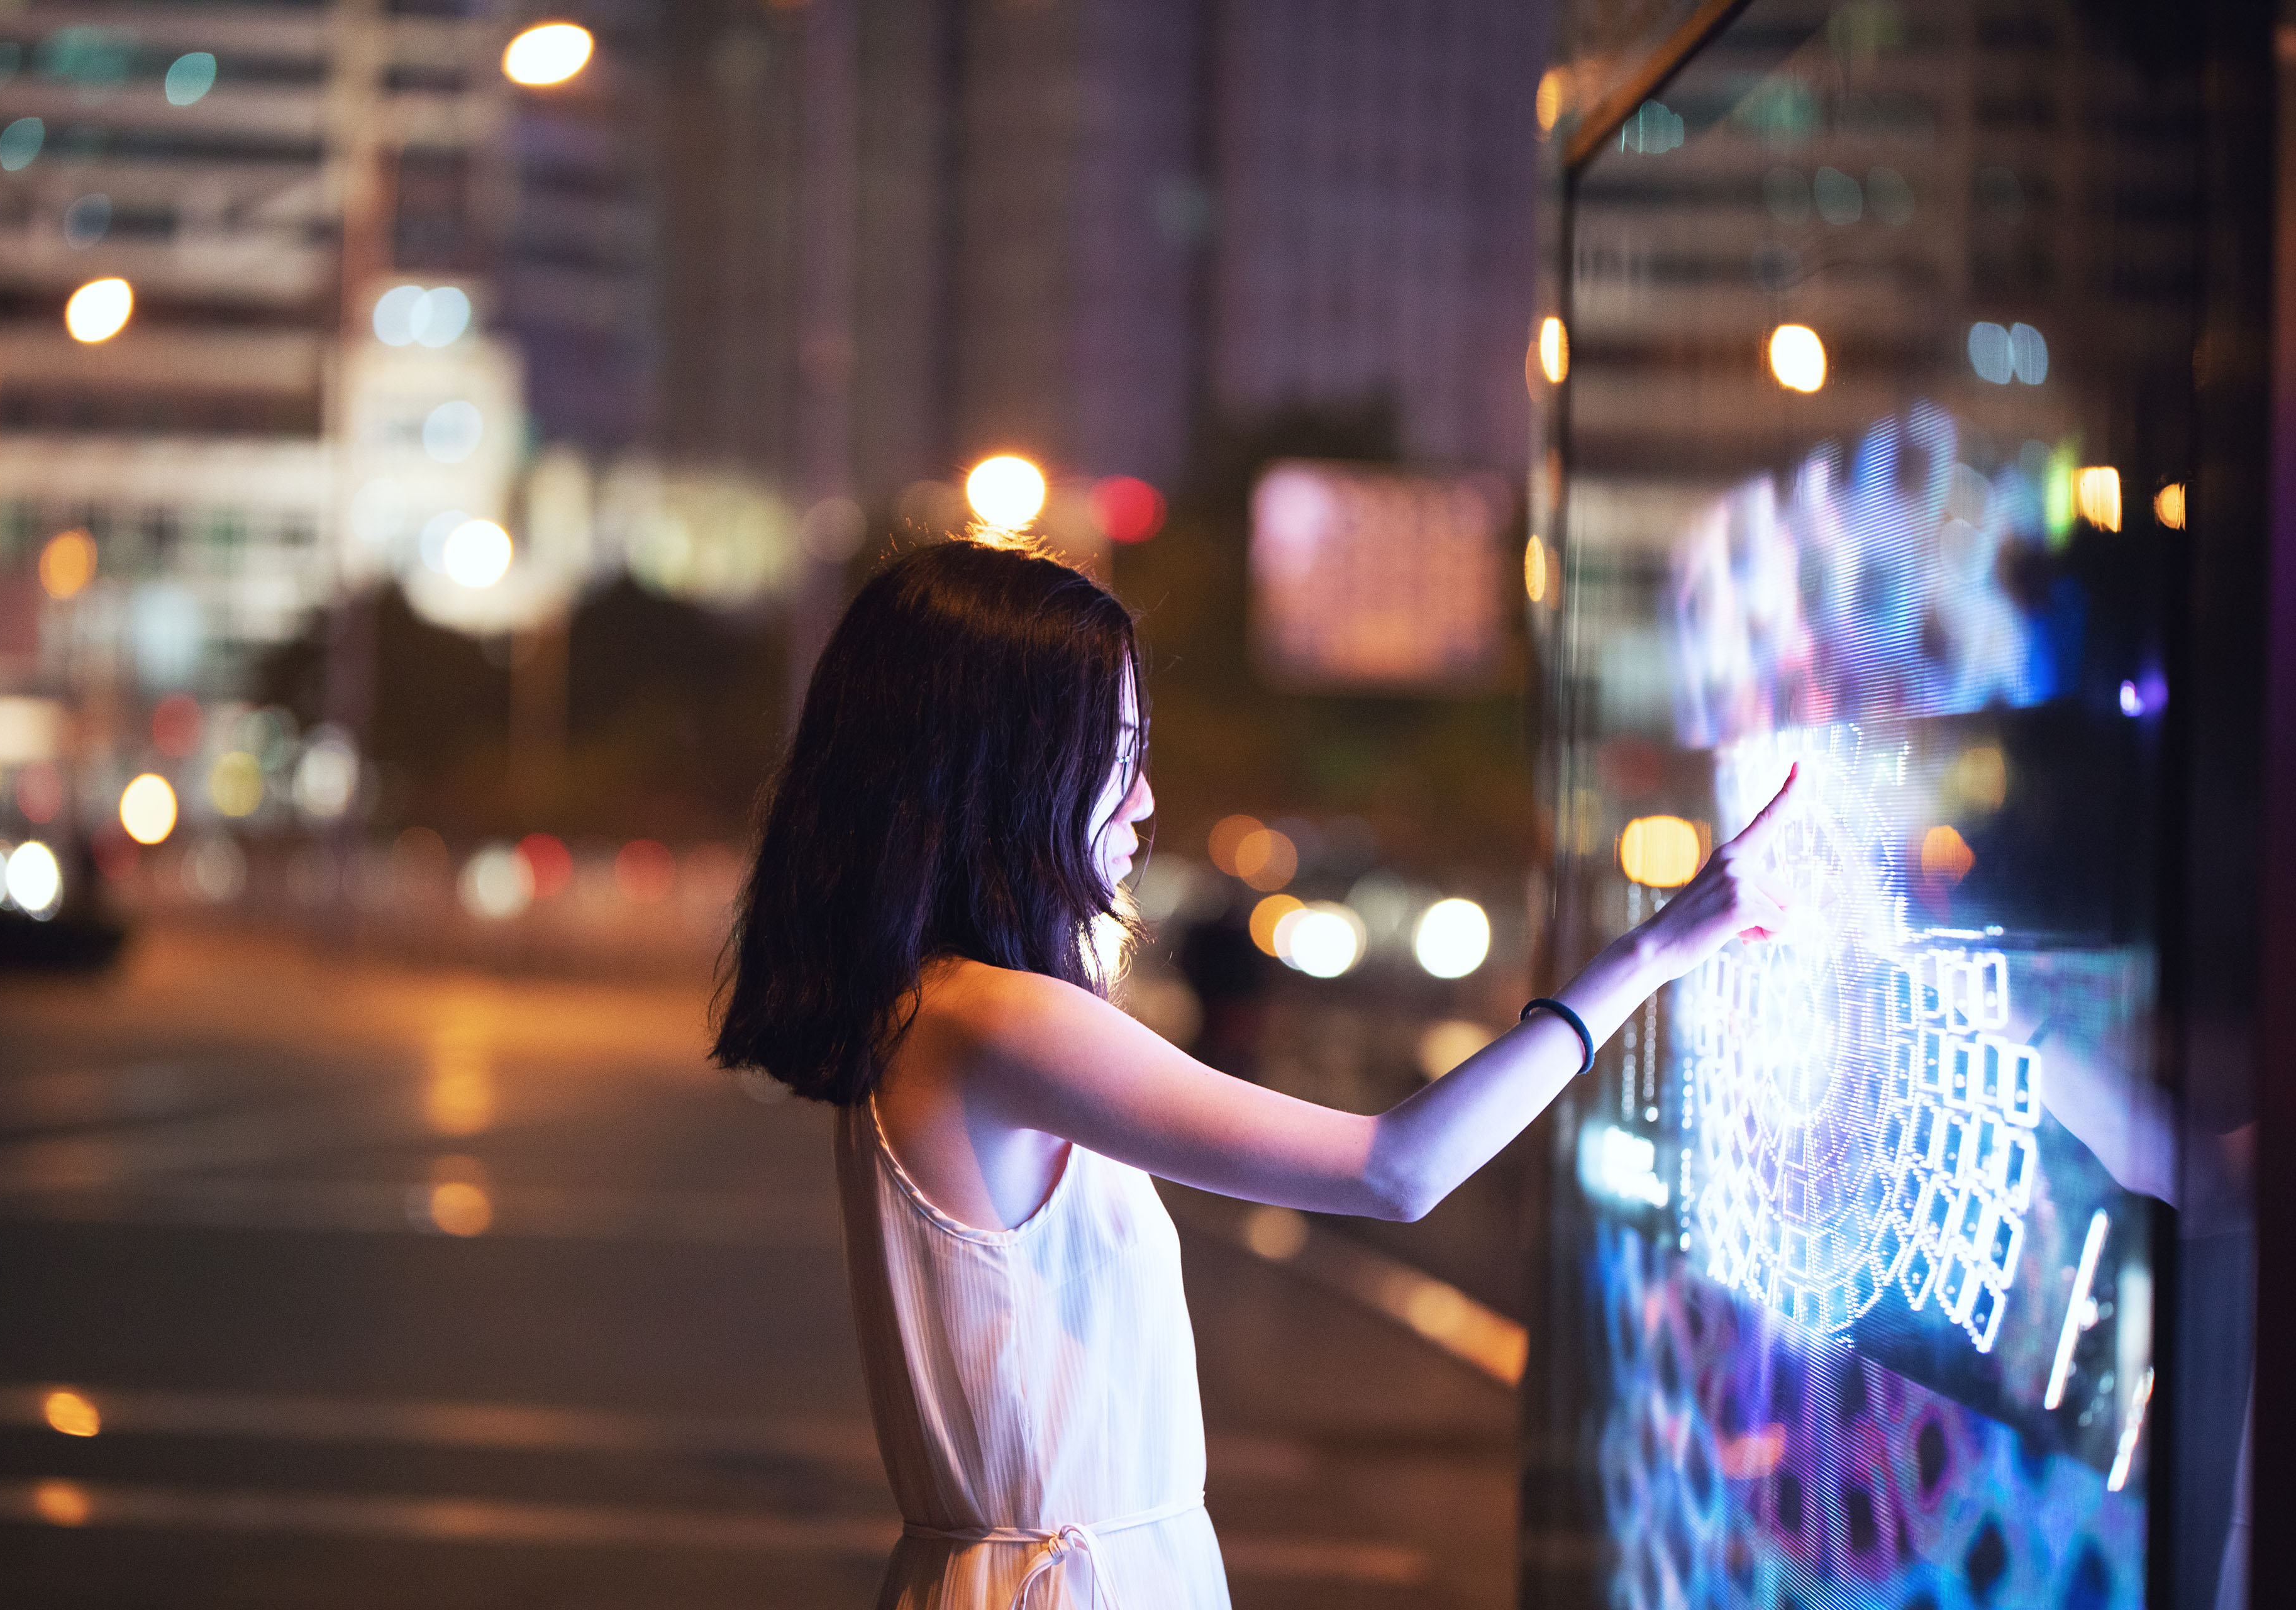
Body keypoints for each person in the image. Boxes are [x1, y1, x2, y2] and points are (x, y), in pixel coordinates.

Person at [714, 537, 1794, 1609]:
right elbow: (1395, 1169)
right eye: (1115, 749)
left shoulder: (933, 1009)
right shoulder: (999, 1022)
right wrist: (1650, 955)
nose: (1142, 801)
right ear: (1012, 763)